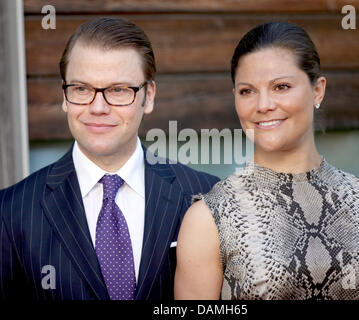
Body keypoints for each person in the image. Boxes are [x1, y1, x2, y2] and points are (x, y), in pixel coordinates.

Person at [174, 21, 359, 300]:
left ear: (318, 90)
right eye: (247, 91)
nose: (263, 104)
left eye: (281, 86)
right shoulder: (210, 218)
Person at [0, 17, 219, 300]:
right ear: (65, 95)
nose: (98, 107)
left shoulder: (206, 196)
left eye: (118, 90)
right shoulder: (10, 212)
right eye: (81, 89)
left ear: (148, 96)